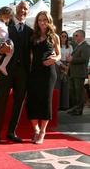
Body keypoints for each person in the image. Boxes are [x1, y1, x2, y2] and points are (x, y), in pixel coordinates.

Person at [0, 1, 33, 145]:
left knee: (18, 103)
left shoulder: (30, 31)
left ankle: (11, 132)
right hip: (5, 71)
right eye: (20, 8)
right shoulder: (5, 25)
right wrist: (0, 50)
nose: (22, 11)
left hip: (23, 73)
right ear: (15, 10)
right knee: (1, 101)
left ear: (28, 12)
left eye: (25, 9)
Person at [26, 11, 61, 144]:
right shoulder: (33, 36)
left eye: (45, 20)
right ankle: (35, 129)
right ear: (37, 22)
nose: (42, 22)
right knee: (32, 100)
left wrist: (54, 59)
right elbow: (29, 55)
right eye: (40, 20)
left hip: (48, 72)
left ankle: (42, 131)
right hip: (34, 72)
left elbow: (58, 55)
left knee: (46, 101)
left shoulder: (54, 37)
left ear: (49, 21)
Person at [67, 29, 90, 115]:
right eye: (74, 35)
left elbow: (84, 59)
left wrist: (72, 59)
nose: (74, 37)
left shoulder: (85, 46)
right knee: (74, 92)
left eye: (76, 35)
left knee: (79, 92)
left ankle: (79, 110)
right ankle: (75, 108)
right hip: (74, 72)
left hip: (79, 73)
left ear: (81, 36)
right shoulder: (78, 46)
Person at [0, 6, 14, 75]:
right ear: (1, 15)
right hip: (1, 40)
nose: (7, 19)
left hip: (2, 40)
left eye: (8, 18)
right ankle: (2, 66)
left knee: (1, 54)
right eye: (6, 17)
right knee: (10, 53)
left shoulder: (3, 23)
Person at [56, 31, 73, 110]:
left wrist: (67, 67)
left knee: (65, 85)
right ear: (60, 37)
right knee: (58, 85)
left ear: (67, 38)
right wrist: (62, 65)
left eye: (65, 36)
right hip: (58, 65)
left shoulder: (70, 47)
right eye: (62, 36)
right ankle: (57, 105)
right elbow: (55, 58)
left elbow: (70, 57)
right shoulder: (56, 46)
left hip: (67, 65)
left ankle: (65, 105)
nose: (63, 38)